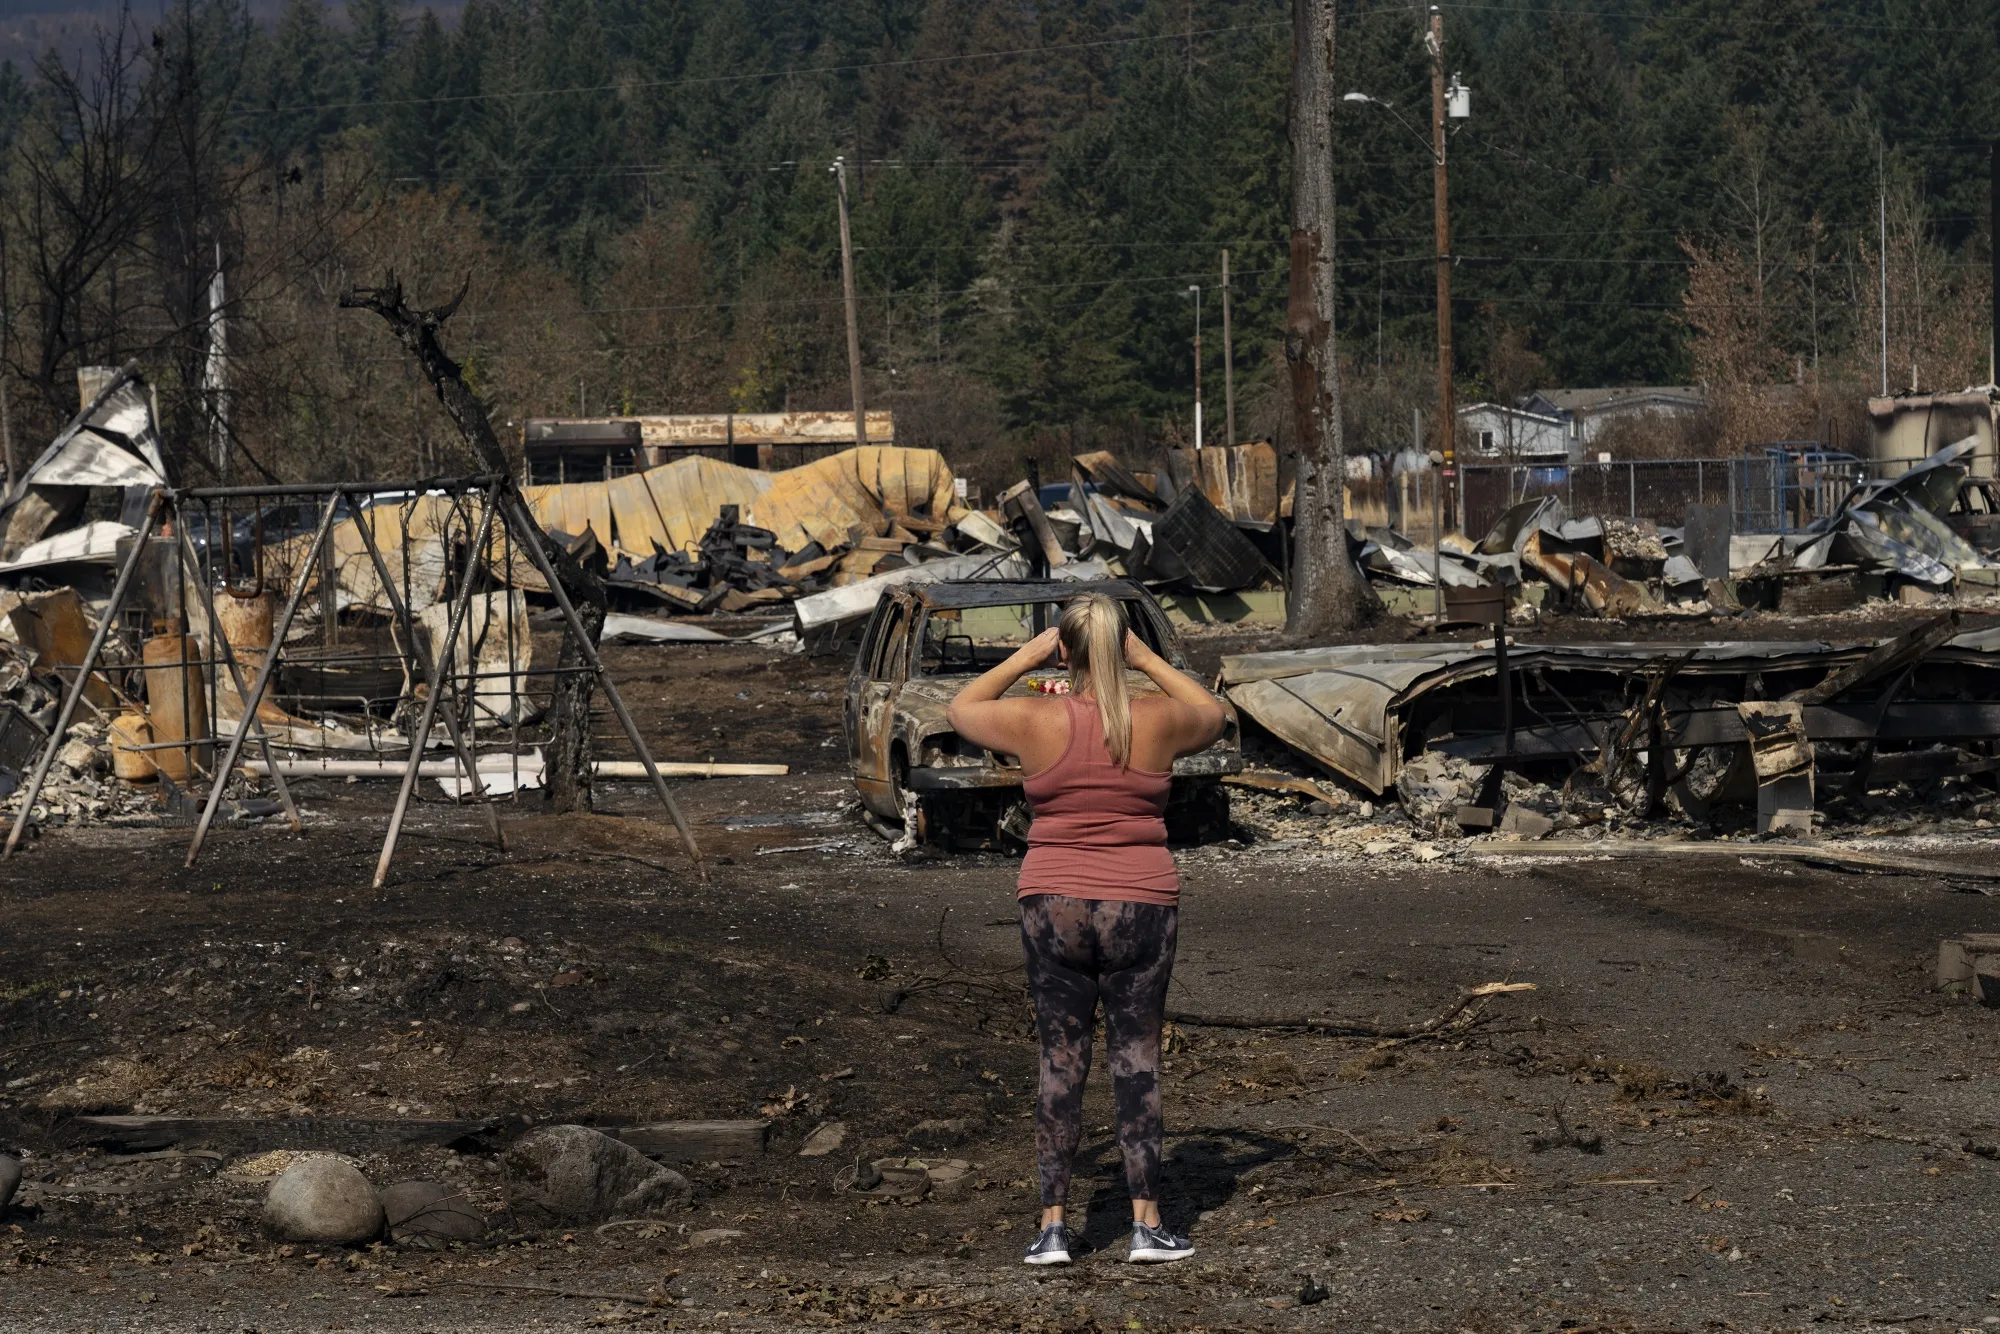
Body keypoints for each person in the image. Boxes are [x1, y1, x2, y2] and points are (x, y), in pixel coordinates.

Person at [947, 592, 1227, 1266]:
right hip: (1141, 903)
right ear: (1121, 648)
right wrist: (1143, 658)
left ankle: (1051, 1230)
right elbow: (1215, 712)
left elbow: (959, 710)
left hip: (1053, 903)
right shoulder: (1157, 717)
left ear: (1064, 650)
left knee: (1060, 1062)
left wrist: (1029, 654)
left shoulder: (1032, 716)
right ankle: (1145, 1225)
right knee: (1137, 1061)